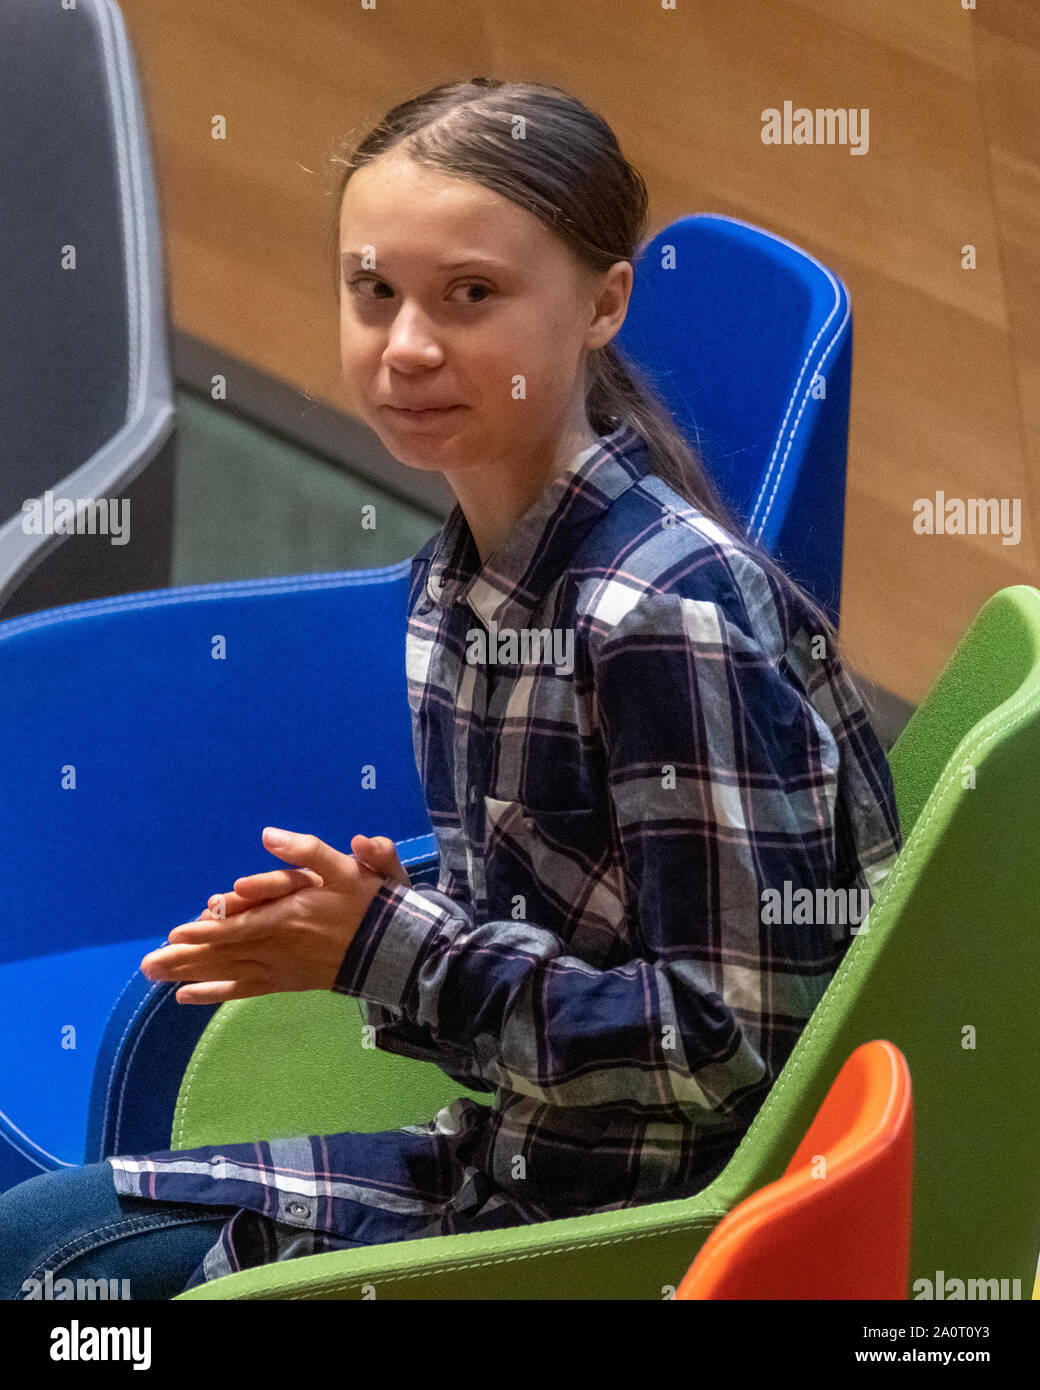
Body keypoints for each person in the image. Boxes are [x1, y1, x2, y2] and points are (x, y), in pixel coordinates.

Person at [0, 77, 902, 1300]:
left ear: (602, 304)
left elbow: (728, 1048)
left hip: (619, 1231)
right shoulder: (463, 580)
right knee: (33, 1245)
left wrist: (392, 947)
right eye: (374, 292)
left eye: (469, 295)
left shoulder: (657, 617)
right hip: (511, 1163)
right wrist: (376, 933)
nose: (406, 344)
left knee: (58, 1290)